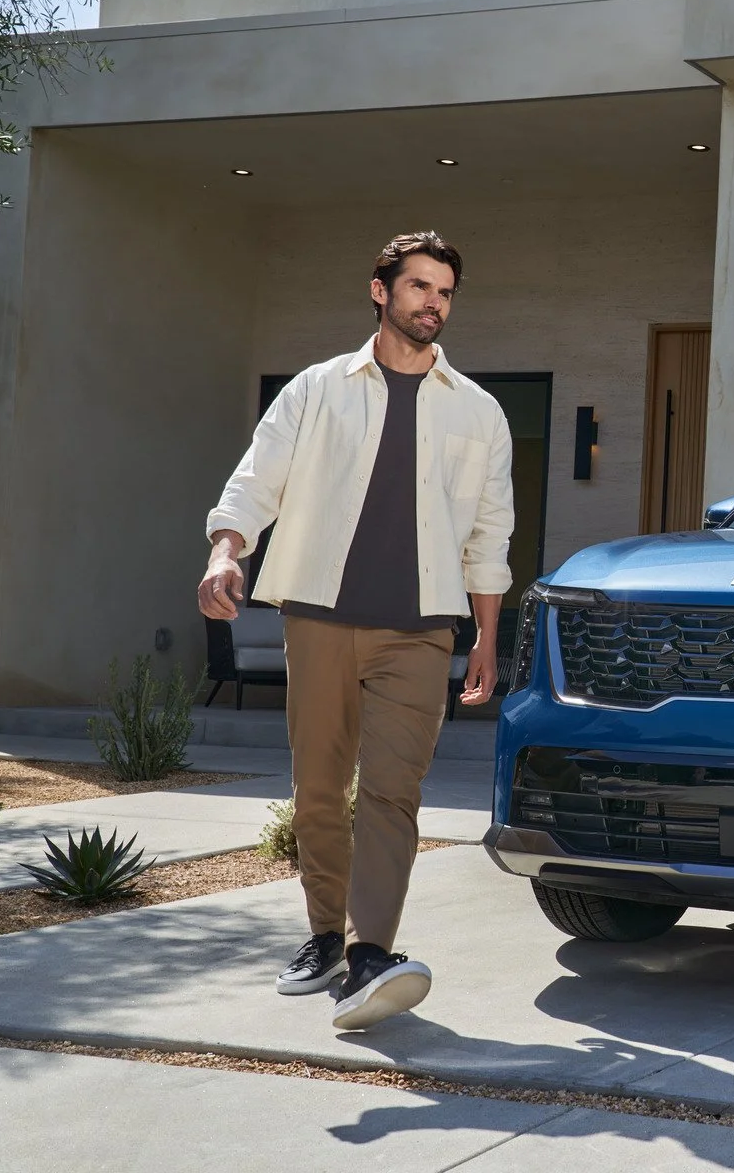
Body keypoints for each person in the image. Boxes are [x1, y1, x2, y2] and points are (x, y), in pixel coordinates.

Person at [198, 231, 513, 1030]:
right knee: (317, 786)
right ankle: (324, 936)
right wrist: (226, 551)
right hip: (320, 618)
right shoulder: (316, 390)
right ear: (381, 291)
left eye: (444, 291)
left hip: (421, 629)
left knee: (393, 792)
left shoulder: (478, 411)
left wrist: (486, 636)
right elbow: (256, 479)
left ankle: (372, 951)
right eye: (419, 286)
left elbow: (490, 533)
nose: (433, 303)